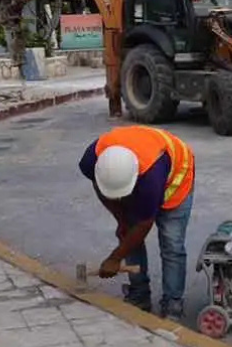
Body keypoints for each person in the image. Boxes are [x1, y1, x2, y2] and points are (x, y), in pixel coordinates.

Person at [79, 125, 195, 319]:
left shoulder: (150, 178)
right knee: (128, 234)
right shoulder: (92, 159)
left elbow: (143, 224)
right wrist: (121, 220)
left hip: (176, 174)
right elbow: (101, 189)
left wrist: (115, 258)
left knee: (171, 244)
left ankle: (173, 302)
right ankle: (139, 295)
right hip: (145, 163)